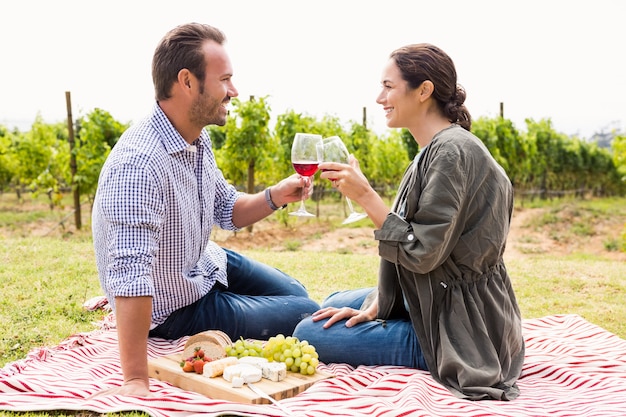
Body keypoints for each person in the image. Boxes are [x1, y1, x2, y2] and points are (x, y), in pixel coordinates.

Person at [92, 22, 320, 397]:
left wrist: (276, 194)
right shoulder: (139, 164)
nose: (234, 91)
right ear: (186, 81)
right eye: (225, 79)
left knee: (296, 292)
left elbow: (227, 209)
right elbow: (131, 277)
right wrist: (135, 379)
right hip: (177, 304)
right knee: (304, 310)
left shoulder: (197, 138)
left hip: (205, 262)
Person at [293, 43, 525, 401]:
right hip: (461, 304)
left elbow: (422, 254)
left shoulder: (450, 152)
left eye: (388, 86)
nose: (379, 97)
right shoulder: (445, 147)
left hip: (459, 329)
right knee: (335, 301)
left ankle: (419, 343)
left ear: (424, 90)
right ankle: (391, 313)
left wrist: (366, 196)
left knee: (309, 332)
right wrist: (381, 301)